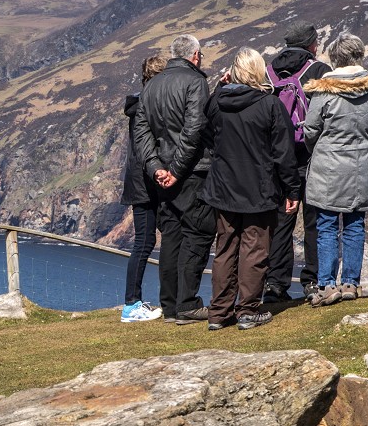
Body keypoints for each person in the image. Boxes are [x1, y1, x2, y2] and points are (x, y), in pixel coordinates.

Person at [200, 48, 300, 330]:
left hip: (223, 187)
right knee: (255, 250)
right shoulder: (270, 106)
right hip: (259, 188)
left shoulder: (218, 102)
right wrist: (292, 190)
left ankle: (218, 312)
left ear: (233, 71)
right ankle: (247, 310)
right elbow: (284, 154)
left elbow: (206, 132)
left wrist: (220, 86)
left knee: (225, 248)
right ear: (259, 72)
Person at [132, 34, 217, 325]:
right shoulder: (195, 82)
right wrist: (178, 170)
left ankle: (169, 305)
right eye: (201, 55)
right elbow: (194, 129)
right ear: (195, 55)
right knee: (199, 233)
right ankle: (188, 304)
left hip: (162, 173)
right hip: (193, 171)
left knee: (170, 236)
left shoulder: (151, 85)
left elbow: (141, 133)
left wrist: (157, 167)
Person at [302, 33, 368, 306]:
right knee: (354, 223)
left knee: (326, 224)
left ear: (335, 59)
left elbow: (310, 130)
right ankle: (351, 283)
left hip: (328, 167)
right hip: (362, 166)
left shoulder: (324, 91)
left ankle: (327, 285)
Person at [264, 22, 331, 302]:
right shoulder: (319, 70)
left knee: (281, 221)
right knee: (314, 221)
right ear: (312, 44)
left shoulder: (268, 70)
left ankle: (275, 285)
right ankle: (312, 281)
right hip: (311, 155)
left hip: (277, 157)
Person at [119, 55, 168, 322]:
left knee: (148, 241)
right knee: (145, 242)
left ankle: (135, 302)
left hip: (141, 181)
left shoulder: (138, 104)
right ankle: (131, 304)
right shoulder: (147, 106)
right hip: (147, 182)